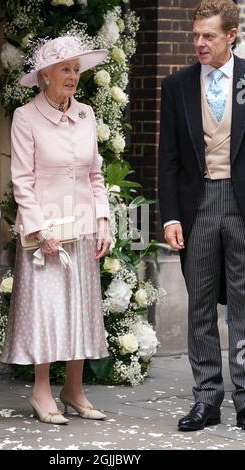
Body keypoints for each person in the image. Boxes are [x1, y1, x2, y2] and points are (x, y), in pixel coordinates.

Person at [1, 36, 111, 425]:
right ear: (44, 75)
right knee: (46, 312)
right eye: (65, 68)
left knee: (80, 308)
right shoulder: (25, 116)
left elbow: (96, 175)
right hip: (43, 232)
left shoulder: (86, 114)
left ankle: (74, 389)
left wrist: (103, 219)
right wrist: (39, 228)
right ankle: (42, 390)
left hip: (81, 225)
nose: (73, 76)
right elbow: (22, 181)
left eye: (77, 69)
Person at [158, 0, 245, 432]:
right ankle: (207, 399)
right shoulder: (176, 86)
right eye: (195, 35)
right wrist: (170, 217)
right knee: (200, 308)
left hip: (242, 204)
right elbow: (168, 160)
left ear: (231, 34)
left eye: (208, 35)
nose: (199, 43)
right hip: (198, 206)